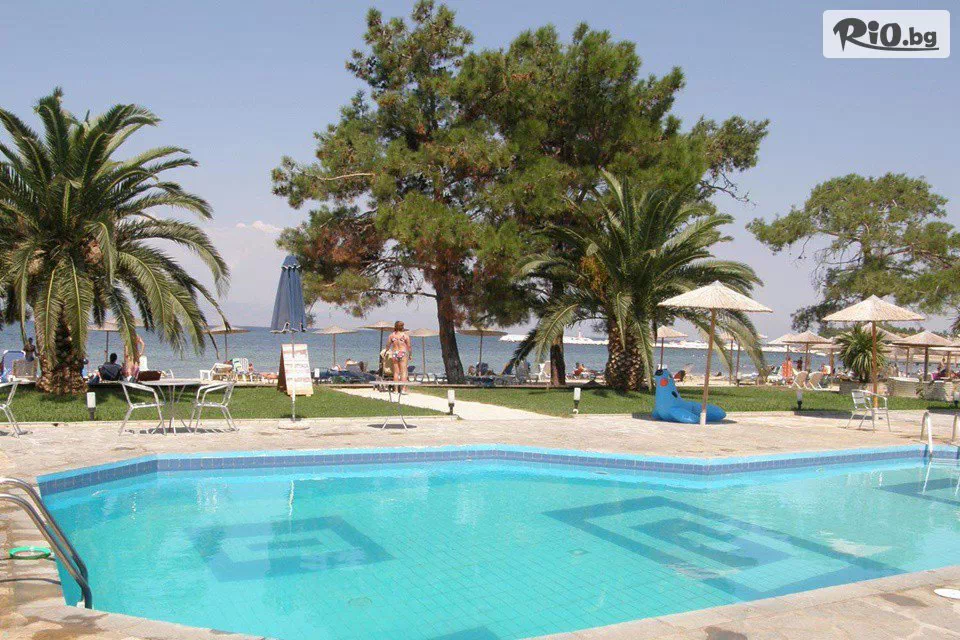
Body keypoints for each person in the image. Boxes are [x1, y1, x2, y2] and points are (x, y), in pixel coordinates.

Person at [386, 321, 411, 392]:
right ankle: (403, 389)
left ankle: (396, 390)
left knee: (396, 372)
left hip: (395, 353)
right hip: (402, 352)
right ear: (402, 327)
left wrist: (386, 351)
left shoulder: (391, 335)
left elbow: (388, 345)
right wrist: (410, 355)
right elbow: (409, 347)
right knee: (403, 372)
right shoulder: (405, 336)